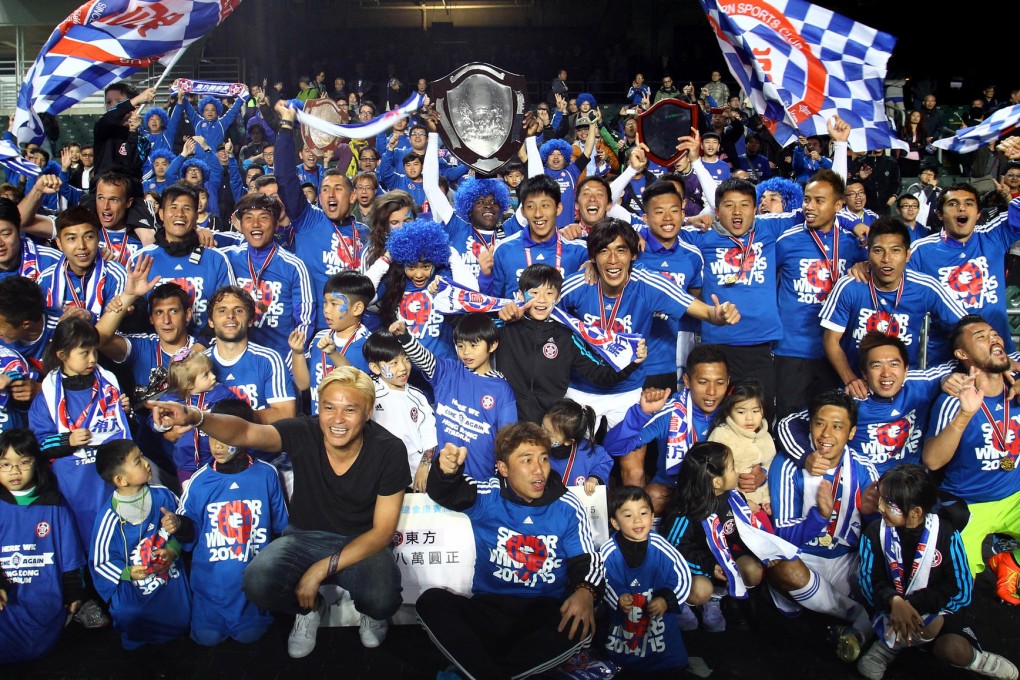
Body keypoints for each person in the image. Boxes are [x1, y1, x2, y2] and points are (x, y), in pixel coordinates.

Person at [149, 367, 409, 656]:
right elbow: (246, 431)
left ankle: (371, 614)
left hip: (361, 540)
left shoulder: (389, 450)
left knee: (383, 598)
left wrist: (316, 572)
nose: (337, 419)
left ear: (368, 411)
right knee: (257, 582)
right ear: (318, 408)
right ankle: (310, 610)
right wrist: (197, 417)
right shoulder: (305, 431)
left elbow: (383, 532)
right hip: (304, 536)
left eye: (350, 409)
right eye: (329, 408)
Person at [416, 423, 605, 680]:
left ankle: (482, 670)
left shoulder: (568, 506)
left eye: (544, 459)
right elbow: (447, 491)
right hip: (489, 611)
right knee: (431, 601)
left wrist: (586, 592)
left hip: (543, 614)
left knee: (579, 621)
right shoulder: (489, 495)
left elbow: (586, 561)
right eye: (527, 460)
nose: (539, 470)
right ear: (504, 468)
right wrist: (445, 469)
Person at [558, 219, 739, 431]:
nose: (613, 260)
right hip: (581, 387)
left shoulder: (648, 283)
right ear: (593, 256)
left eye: (621, 250)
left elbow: (705, 312)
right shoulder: (577, 285)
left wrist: (719, 314)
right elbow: (543, 318)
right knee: (576, 460)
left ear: (633, 255)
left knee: (632, 464)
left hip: (628, 389)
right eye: (604, 251)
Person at [856, 464, 1019, 680]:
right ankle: (890, 647)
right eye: (881, 499)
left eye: (889, 503)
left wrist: (912, 605)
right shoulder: (874, 532)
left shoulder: (945, 534)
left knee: (953, 649)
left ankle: (981, 660)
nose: (880, 507)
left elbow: (960, 589)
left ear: (915, 513)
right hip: (890, 610)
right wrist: (894, 602)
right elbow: (868, 581)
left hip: (937, 611)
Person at [767, 390, 879, 662]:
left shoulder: (865, 468)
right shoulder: (786, 465)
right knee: (783, 568)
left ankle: (840, 625)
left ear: (851, 433)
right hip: (803, 558)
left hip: (844, 559)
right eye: (820, 423)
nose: (826, 434)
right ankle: (857, 619)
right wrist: (820, 515)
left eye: (838, 426)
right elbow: (785, 537)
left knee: (888, 575)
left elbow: (877, 533)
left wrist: (873, 517)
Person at [169, 398, 289, 646]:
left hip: (251, 590)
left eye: (225, 438)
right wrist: (179, 526)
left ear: (244, 435)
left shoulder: (267, 474)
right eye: (211, 437)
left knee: (251, 636)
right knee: (206, 639)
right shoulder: (199, 481)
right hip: (210, 589)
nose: (217, 446)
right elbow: (189, 534)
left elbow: (282, 528)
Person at [777, 331, 956, 479]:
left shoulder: (920, 383)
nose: (886, 374)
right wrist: (806, 456)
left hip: (909, 485)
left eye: (894, 364)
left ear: (906, 369)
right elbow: (788, 423)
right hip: (861, 488)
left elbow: (960, 363)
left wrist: (948, 379)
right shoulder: (850, 398)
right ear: (864, 372)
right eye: (876, 366)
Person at [923, 315, 1020, 582]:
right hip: (970, 504)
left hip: (1015, 497)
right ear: (962, 353)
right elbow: (932, 461)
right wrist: (965, 415)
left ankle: (1010, 559)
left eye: (994, 334)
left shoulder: (1017, 383)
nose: (994, 338)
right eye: (981, 337)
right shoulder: (953, 400)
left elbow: (1006, 459)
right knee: (955, 582)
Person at [820, 217, 966, 389]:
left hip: (904, 387)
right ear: (867, 254)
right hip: (858, 385)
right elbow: (831, 340)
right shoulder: (850, 286)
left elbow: (965, 326)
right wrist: (850, 380)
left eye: (895, 250)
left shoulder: (925, 287)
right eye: (878, 251)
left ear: (907, 255)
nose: (886, 259)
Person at [494, 264, 645, 424]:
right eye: (534, 292)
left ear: (558, 298)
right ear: (521, 296)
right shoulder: (504, 327)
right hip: (509, 421)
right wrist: (499, 314)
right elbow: (471, 330)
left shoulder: (567, 336)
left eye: (549, 293)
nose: (542, 299)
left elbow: (600, 375)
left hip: (551, 428)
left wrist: (632, 362)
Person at [29, 317, 131, 548]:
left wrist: (126, 411)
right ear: (62, 354)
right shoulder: (47, 394)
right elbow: (38, 444)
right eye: (84, 353)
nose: (93, 359)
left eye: (95, 351)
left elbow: (126, 434)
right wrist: (68, 440)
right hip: (72, 486)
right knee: (82, 543)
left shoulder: (109, 383)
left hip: (110, 479)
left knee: (120, 543)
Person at [90, 439, 191, 649]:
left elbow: (186, 526)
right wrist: (128, 572)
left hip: (167, 576)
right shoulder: (108, 517)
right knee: (131, 617)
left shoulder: (164, 496)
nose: (146, 463)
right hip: (135, 584)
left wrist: (173, 547)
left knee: (183, 619)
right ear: (121, 479)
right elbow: (100, 561)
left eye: (143, 456)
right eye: (138, 461)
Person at [393, 312, 516, 482]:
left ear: (493, 345)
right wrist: (405, 337)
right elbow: (423, 358)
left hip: (481, 478)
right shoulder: (448, 371)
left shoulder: (502, 389)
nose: (466, 352)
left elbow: (508, 438)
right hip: (441, 475)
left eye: (474, 345)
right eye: (460, 346)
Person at [659, 441, 766, 633]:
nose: (737, 471)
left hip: (721, 556)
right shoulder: (685, 510)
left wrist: (764, 550)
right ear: (717, 482)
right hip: (695, 563)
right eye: (733, 468)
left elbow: (738, 534)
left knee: (754, 570)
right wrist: (709, 566)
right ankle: (682, 602)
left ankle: (718, 598)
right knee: (701, 590)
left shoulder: (732, 498)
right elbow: (673, 552)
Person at [908, 181, 1020, 364]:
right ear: (939, 214)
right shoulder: (920, 251)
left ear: (978, 214)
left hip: (1000, 355)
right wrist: (864, 267)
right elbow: (889, 277)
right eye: (953, 204)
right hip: (946, 362)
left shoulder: (993, 236)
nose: (961, 208)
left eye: (969, 204)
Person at [0, 428, 87, 663]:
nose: (15, 471)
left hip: (43, 598)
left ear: (36, 463)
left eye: (23, 462)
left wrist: (73, 594)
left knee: (35, 648)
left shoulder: (54, 505)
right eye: (5, 464)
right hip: (6, 598)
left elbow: (71, 558)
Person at [599, 485, 692, 672]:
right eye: (627, 515)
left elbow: (682, 576)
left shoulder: (660, 546)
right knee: (619, 663)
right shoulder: (608, 550)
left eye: (643, 513)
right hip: (624, 630)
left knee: (671, 664)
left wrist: (666, 599)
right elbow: (604, 579)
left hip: (660, 629)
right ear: (615, 523)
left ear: (652, 517)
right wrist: (619, 596)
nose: (637, 520)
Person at [221, 192, 313, 364]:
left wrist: (291, 361)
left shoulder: (293, 266)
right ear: (240, 224)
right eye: (248, 218)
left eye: (264, 217)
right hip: (236, 361)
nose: (256, 224)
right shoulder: (225, 259)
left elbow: (305, 320)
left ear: (277, 223)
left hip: (283, 360)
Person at [130, 185, 235, 332]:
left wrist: (200, 347)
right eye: (173, 207)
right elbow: (132, 318)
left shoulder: (216, 259)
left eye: (187, 208)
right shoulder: (141, 260)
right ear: (161, 214)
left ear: (196, 215)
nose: (179, 214)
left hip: (204, 350)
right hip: (156, 350)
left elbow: (228, 314)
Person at [481, 175, 588, 298]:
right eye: (531, 206)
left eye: (545, 205)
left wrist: (594, 265)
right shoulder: (504, 250)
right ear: (523, 212)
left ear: (558, 208)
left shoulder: (580, 252)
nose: (538, 214)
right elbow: (493, 302)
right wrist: (485, 276)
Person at [204, 285, 296, 424]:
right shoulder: (198, 362)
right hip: (209, 445)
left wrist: (235, 419)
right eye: (222, 310)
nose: (230, 315)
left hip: (256, 444)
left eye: (239, 310)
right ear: (210, 321)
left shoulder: (269, 360)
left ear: (251, 320)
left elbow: (286, 413)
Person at [361, 331, 436, 492]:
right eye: (394, 363)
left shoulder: (418, 397)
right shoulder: (369, 393)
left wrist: (424, 468)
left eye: (406, 359)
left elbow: (429, 437)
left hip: (415, 479)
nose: (403, 368)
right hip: (379, 478)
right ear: (375, 367)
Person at [291, 271, 374, 415]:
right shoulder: (319, 338)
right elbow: (303, 384)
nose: (326, 310)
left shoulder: (369, 344)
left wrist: (333, 353)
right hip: (317, 423)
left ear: (357, 308)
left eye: (334, 304)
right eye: (325, 302)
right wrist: (297, 353)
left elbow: (355, 385)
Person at [39, 206, 127, 322]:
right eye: (71, 238)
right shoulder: (45, 279)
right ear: (59, 244)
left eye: (89, 237)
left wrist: (90, 317)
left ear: (98, 238)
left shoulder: (116, 275)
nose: (81, 246)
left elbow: (115, 327)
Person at [158, 349, 234, 483]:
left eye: (211, 371)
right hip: (186, 464)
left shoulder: (221, 393)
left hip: (217, 460)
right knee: (192, 498)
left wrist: (208, 414)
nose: (213, 377)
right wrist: (164, 424)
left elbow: (236, 412)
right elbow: (154, 421)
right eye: (206, 375)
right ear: (189, 384)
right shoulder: (171, 399)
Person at [707, 380, 776, 514]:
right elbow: (713, 478)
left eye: (755, 411)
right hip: (731, 507)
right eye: (741, 412)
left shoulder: (766, 437)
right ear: (729, 411)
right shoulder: (722, 435)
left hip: (760, 506)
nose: (749, 418)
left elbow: (770, 468)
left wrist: (766, 498)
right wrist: (743, 502)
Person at [541, 399, 612, 494]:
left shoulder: (587, 451)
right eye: (542, 426)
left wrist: (595, 477)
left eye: (549, 433)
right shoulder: (535, 447)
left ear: (568, 441)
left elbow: (605, 460)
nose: (542, 434)